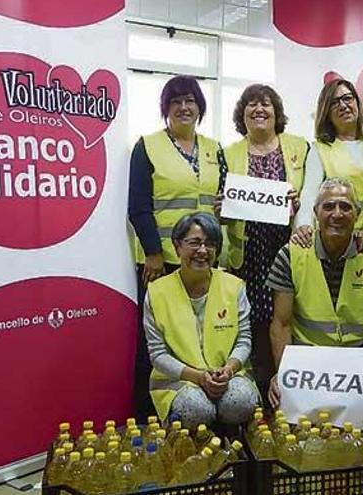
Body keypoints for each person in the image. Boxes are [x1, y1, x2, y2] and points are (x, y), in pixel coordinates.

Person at [266, 178, 363, 408]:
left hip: (358, 355)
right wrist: (283, 373)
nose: (337, 214)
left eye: (345, 207)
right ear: (315, 212)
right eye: (329, 206)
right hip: (310, 355)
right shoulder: (291, 255)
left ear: (357, 215)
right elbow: (281, 325)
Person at [128, 75, 225, 419]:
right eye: (175, 101)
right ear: (165, 109)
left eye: (191, 101)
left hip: (203, 262)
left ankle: (201, 411)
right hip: (164, 262)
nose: (184, 107)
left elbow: (224, 199)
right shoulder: (147, 145)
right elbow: (138, 206)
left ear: (200, 107)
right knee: (156, 345)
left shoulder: (215, 148)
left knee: (203, 337)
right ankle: (149, 419)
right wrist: (153, 253)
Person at [220, 84, 309, 404]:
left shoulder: (300, 147)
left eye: (266, 104)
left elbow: (313, 195)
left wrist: (301, 203)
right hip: (249, 252)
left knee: (290, 318)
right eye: (251, 105)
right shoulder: (227, 152)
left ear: (277, 112)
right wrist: (223, 211)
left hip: (288, 247)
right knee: (256, 324)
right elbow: (224, 212)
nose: (259, 109)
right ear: (241, 114)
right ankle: (258, 401)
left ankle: (293, 390)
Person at [144, 212, 259, 428]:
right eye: (194, 243)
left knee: (240, 402)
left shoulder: (234, 286)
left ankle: (232, 446)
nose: (203, 251)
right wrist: (198, 377)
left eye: (210, 244)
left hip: (227, 375)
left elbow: (244, 340)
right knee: (195, 408)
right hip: (178, 381)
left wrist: (229, 370)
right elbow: (158, 354)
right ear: (178, 247)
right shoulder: (156, 292)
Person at [293, 79, 363, 251]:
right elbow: (309, 195)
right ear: (326, 112)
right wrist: (303, 225)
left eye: (347, 98)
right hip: (341, 240)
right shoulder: (320, 149)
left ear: (357, 102)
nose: (343, 105)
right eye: (334, 103)